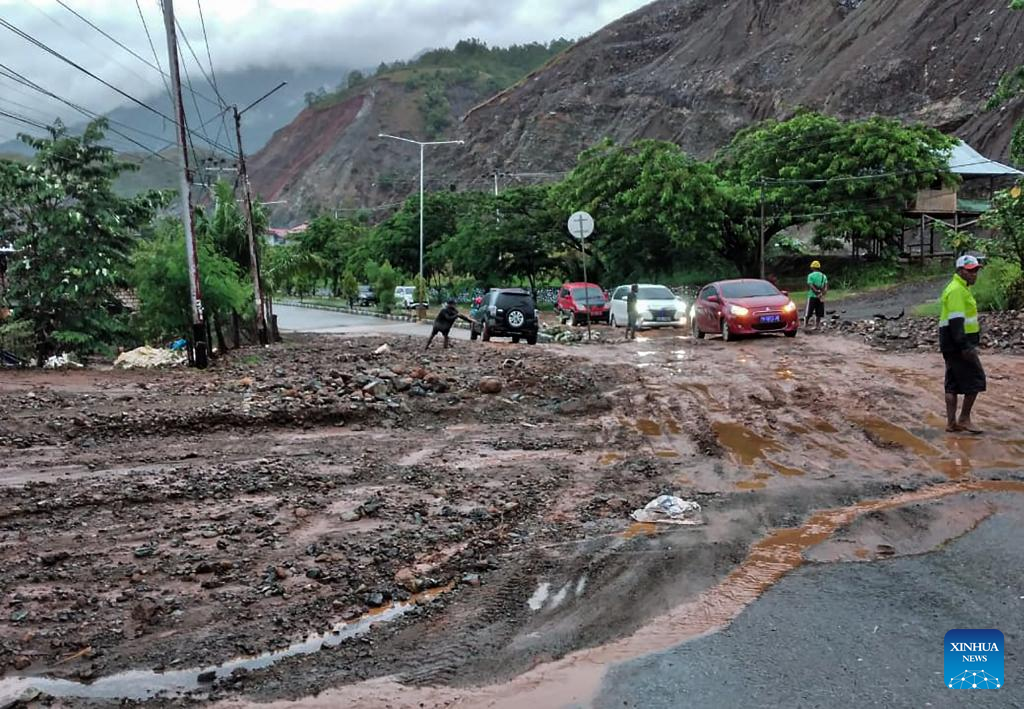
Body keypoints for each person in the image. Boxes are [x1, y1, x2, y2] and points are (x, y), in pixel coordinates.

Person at [940, 255, 986, 434]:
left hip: (951, 344)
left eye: (976, 270)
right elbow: (957, 321)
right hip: (959, 345)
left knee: (952, 383)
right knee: (976, 379)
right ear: (960, 271)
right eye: (971, 271)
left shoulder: (958, 288)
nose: (975, 274)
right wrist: (965, 346)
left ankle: (951, 423)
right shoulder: (957, 290)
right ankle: (964, 418)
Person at [805, 260, 828, 331]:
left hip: (812, 296)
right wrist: (822, 293)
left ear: (812, 268)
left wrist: (815, 292)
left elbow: (810, 285)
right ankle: (817, 325)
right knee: (819, 312)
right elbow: (826, 286)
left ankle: (806, 324)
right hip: (820, 296)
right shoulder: (823, 276)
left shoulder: (810, 275)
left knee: (809, 311)